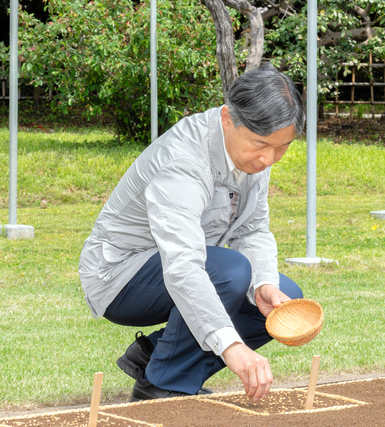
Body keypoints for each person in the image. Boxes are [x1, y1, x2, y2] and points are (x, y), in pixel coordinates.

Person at [78, 62, 305, 402]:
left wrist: (265, 285)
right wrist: (232, 348)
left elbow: (253, 229)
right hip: (119, 278)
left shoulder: (253, 153)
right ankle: (162, 385)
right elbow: (183, 266)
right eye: (261, 144)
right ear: (228, 119)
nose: (268, 160)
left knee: (282, 295)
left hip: (189, 266)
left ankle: (155, 355)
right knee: (229, 272)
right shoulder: (182, 161)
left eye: (281, 148)